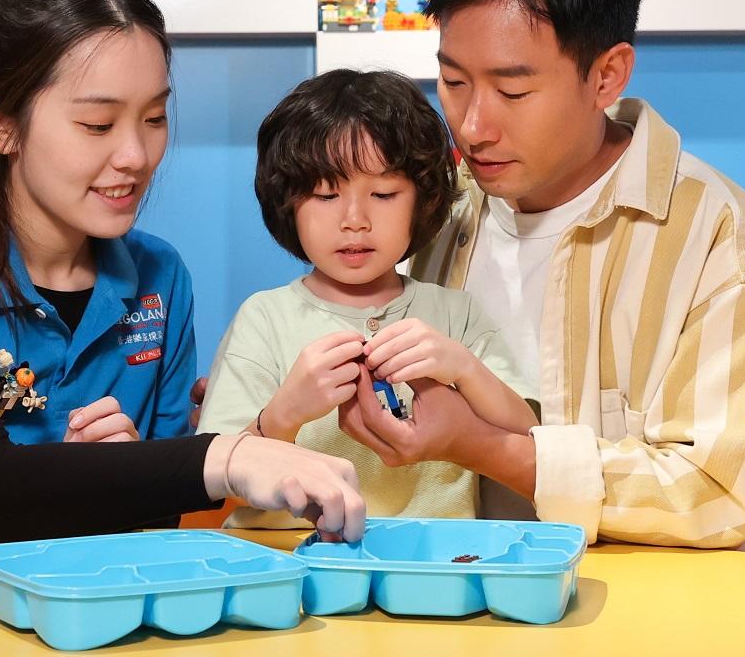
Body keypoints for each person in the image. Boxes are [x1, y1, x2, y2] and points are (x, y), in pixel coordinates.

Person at [0, 0, 365, 544]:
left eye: (154, 118)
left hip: (70, 591)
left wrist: (118, 473)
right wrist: (228, 456)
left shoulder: (160, 278)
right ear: (0, 125)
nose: (136, 156)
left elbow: (158, 521)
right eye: (98, 125)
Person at [333, 0, 745, 555]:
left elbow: (710, 493)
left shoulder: (720, 241)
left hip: (655, 615)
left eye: (513, 91)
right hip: (454, 601)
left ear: (607, 75)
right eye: (453, 82)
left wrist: (484, 446)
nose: (473, 126)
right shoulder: (436, 212)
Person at [196, 69, 536, 528]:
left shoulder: (454, 314)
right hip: (291, 559)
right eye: (325, 194)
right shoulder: (265, 319)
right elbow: (213, 483)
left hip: (435, 559)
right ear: (287, 203)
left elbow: (529, 435)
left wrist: (464, 369)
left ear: (423, 200)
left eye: (382, 193)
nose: (354, 220)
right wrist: (284, 414)